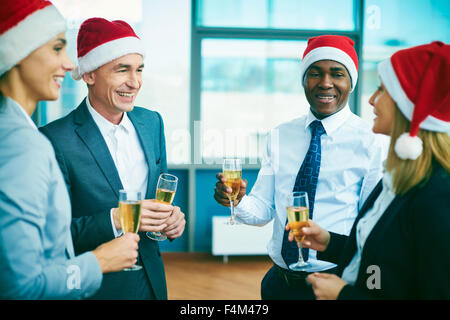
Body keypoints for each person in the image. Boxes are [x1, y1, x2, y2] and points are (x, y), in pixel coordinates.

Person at [214, 35, 387, 299]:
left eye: (337, 74)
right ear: (304, 81)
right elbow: (263, 210)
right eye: (315, 73)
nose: (325, 83)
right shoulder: (280, 135)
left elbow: (371, 227)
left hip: (334, 283)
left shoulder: (372, 141)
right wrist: (237, 201)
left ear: (351, 82)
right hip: (278, 283)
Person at [0, 0, 139, 299]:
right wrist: (100, 261)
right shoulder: (25, 145)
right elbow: (19, 287)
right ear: (17, 51)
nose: (69, 63)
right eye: (56, 47)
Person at [40, 17, 186, 300]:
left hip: (153, 282)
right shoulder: (53, 140)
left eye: (139, 70)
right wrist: (119, 218)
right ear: (90, 75)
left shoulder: (152, 122)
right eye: (122, 70)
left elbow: (157, 199)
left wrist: (172, 219)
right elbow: (53, 236)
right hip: (97, 287)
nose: (135, 82)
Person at [301, 41, 450, 299]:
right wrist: (329, 242)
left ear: (410, 106)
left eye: (382, 89)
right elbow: (383, 262)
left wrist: (343, 295)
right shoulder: (397, 178)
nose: (371, 99)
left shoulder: (437, 197)